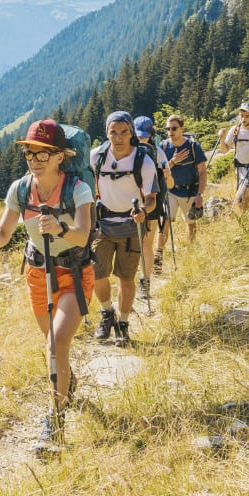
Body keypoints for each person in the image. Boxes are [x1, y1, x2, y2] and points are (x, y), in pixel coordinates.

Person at [0, 118, 94, 449]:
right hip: (38, 274)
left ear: (60, 156)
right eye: (30, 153)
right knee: (53, 344)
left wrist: (59, 229)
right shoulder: (20, 190)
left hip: (74, 274)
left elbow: (83, 235)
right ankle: (67, 382)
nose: (35, 160)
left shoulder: (78, 188)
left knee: (55, 344)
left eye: (43, 153)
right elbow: (2, 236)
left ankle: (55, 420)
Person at [90, 111, 157, 346]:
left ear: (131, 133)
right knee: (97, 273)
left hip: (131, 227)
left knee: (126, 279)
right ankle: (107, 312)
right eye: (113, 132)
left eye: (123, 132)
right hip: (103, 226)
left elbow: (151, 198)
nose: (118, 138)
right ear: (107, 133)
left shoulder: (143, 161)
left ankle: (123, 324)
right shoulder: (96, 157)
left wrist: (144, 211)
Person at [133, 115, 173, 299]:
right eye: (138, 135)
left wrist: (167, 175)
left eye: (145, 135)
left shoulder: (158, 153)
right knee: (135, 245)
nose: (141, 138)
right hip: (133, 204)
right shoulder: (131, 153)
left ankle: (145, 281)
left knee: (146, 244)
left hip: (152, 204)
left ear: (151, 134)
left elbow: (170, 184)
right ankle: (133, 281)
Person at [156, 114, 207, 258]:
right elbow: (158, 171)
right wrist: (173, 161)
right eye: (167, 129)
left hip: (190, 192)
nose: (170, 131)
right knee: (165, 222)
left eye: (174, 128)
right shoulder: (163, 147)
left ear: (181, 129)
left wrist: (200, 194)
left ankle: (190, 254)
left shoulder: (193, 146)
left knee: (191, 223)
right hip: (170, 191)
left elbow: (202, 172)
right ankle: (158, 256)